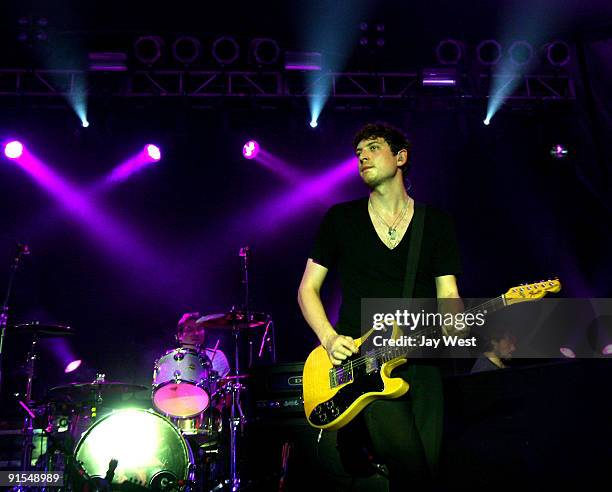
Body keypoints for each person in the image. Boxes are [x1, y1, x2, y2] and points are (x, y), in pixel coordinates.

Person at [297, 122, 463, 490]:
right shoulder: (340, 219)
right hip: (367, 365)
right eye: (358, 153)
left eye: (373, 147)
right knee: (412, 471)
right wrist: (328, 336)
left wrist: (457, 323)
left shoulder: (435, 223)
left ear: (400, 157)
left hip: (424, 362)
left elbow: (448, 294)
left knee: (430, 471)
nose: (363, 157)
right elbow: (307, 289)